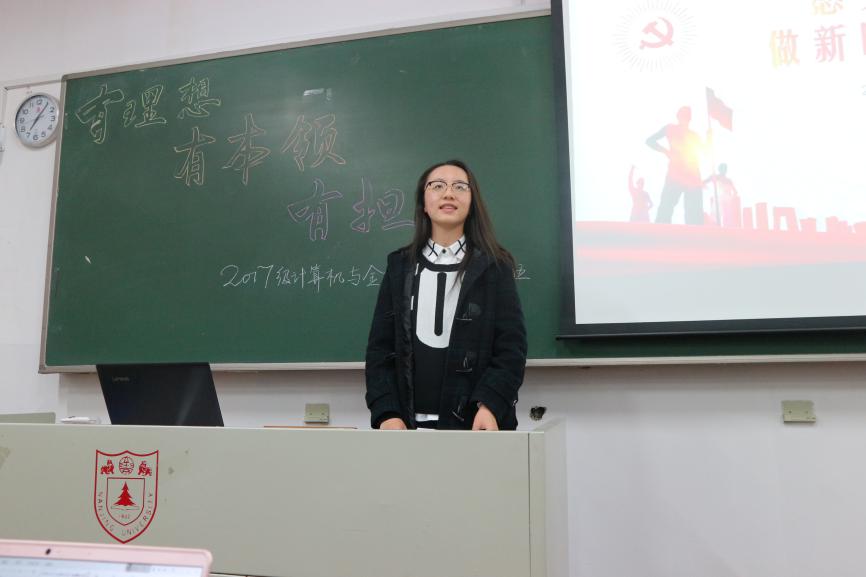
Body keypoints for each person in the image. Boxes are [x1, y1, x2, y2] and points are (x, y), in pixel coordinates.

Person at [365, 160, 527, 431]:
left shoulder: (494, 267)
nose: (449, 193)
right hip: (406, 429)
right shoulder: (400, 266)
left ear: (472, 202)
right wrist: (387, 413)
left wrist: (490, 405)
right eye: (438, 186)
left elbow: (511, 349)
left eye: (460, 187)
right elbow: (380, 351)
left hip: (476, 427)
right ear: (424, 203)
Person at [646, 106, 706, 225]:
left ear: (690, 119)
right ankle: (661, 231)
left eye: (687, 116)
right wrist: (666, 151)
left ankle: (694, 233)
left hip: (692, 174)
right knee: (666, 209)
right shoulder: (670, 128)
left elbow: (705, 150)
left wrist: (709, 139)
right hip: (676, 172)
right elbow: (649, 141)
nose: (685, 118)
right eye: (684, 115)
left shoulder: (694, 135)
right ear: (678, 116)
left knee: (693, 213)